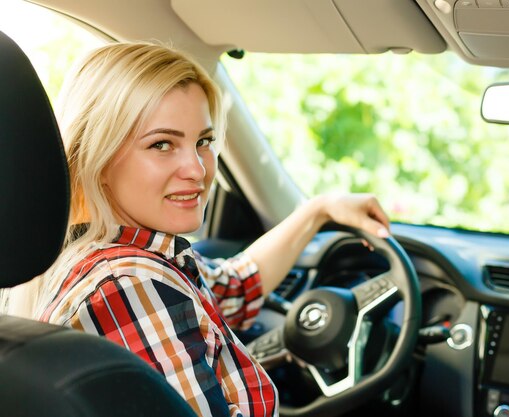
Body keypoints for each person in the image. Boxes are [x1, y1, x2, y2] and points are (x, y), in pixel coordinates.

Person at [1, 42, 391, 416]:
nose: (198, 170)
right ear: (100, 158)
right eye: (162, 145)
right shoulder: (130, 285)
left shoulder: (113, 258)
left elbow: (233, 287)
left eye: (203, 141)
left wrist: (317, 211)